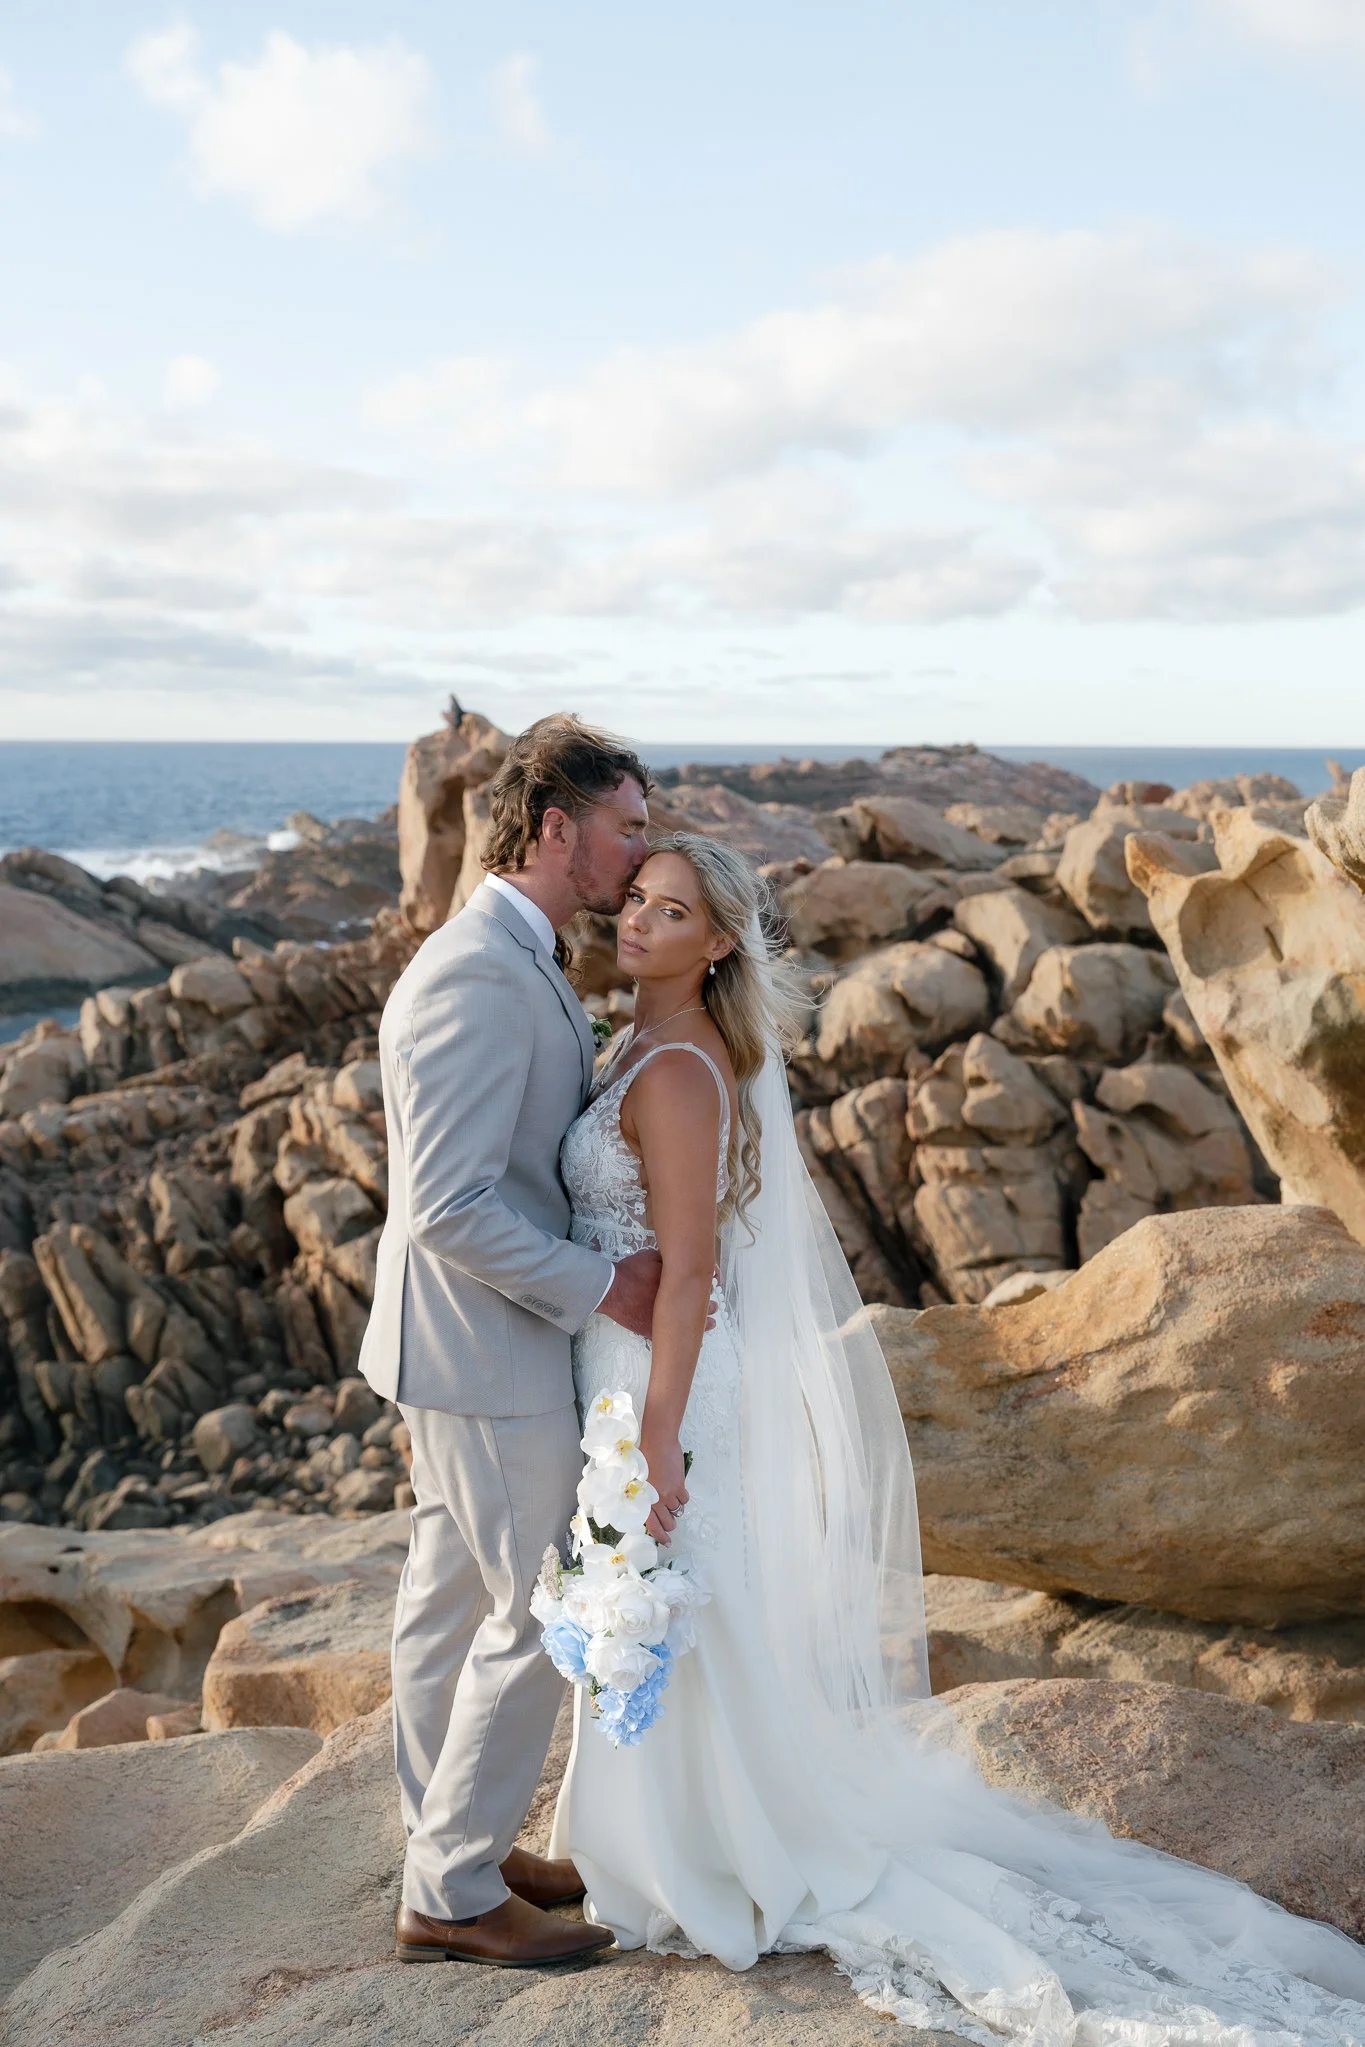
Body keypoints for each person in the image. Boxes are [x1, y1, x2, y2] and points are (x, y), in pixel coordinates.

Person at [550, 829, 1365, 2044]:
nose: (636, 924)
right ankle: (641, 1838)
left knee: (676, 1594)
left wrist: (659, 1433)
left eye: (669, 913)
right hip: (632, 1369)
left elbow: (689, 1270)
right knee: (673, 1602)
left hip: (662, 1379)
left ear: (718, 941)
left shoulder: (678, 1069)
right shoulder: (644, 1042)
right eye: (636, 902)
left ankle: (701, 1855)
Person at [358, 714, 665, 1970]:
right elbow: (449, 1202)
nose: (642, 856)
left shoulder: (512, 949)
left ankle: (452, 1842)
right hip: (485, 1348)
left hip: (458, 1344)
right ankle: (452, 1885)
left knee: (442, 1607)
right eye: (627, 827)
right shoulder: (478, 970)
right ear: (557, 827)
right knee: (538, 1605)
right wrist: (606, 1285)